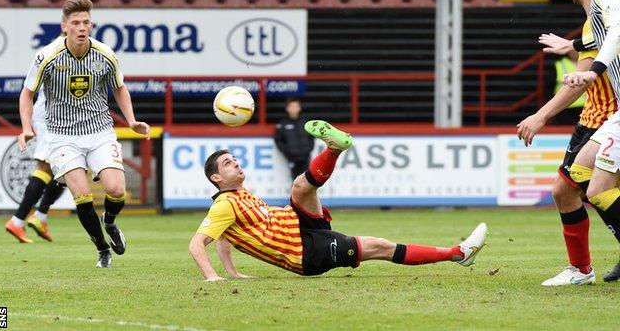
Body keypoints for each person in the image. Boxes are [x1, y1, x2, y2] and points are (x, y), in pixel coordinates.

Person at [189, 120, 487, 281]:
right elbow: (198, 243)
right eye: (228, 163)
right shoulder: (224, 205)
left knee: (299, 187)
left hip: (299, 224)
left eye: (235, 159)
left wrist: (233, 271)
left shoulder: (241, 196)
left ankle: (334, 148)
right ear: (216, 178)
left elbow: (224, 236)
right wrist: (213, 277)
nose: (237, 164)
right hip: (305, 251)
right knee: (379, 246)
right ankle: (457, 253)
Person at [17, 0, 150, 268]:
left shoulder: (105, 55)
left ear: (92, 25)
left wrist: (132, 121)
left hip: (99, 131)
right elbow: (27, 92)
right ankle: (102, 249)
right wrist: (27, 128)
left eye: (86, 22)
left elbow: (120, 87)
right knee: (82, 194)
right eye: (75, 23)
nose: (81, 27)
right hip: (61, 135)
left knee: (116, 189)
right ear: (64, 26)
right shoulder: (47, 56)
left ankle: (110, 222)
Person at [519, 0, 620, 286]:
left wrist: (541, 115)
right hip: (604, 118)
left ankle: (580, 269)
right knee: (580, 188)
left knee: (575, 189)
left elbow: (586, 78)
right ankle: (581, 268)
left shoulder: (599, 15)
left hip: (600, 118)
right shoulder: (595, 25)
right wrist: (573, 46)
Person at [5, 88, 66, 243]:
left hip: (61, 115)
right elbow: (28, 89)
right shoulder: (47, 62)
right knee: (47, 166)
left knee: (64, 167)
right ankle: (18, 221)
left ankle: (38, 217)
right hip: (51, 114)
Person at [274, 98, 314, 180]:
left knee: (308, 181)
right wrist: (288, 152)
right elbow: (278, 140)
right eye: (291, 106)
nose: (294, 109)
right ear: (287, 108)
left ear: (299, 108)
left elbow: (311, 138)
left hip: (305, 158)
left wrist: (308, 150)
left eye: (296, 106)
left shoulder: (305, 122)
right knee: (296, 181)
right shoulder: (283, 124)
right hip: (293, 159)